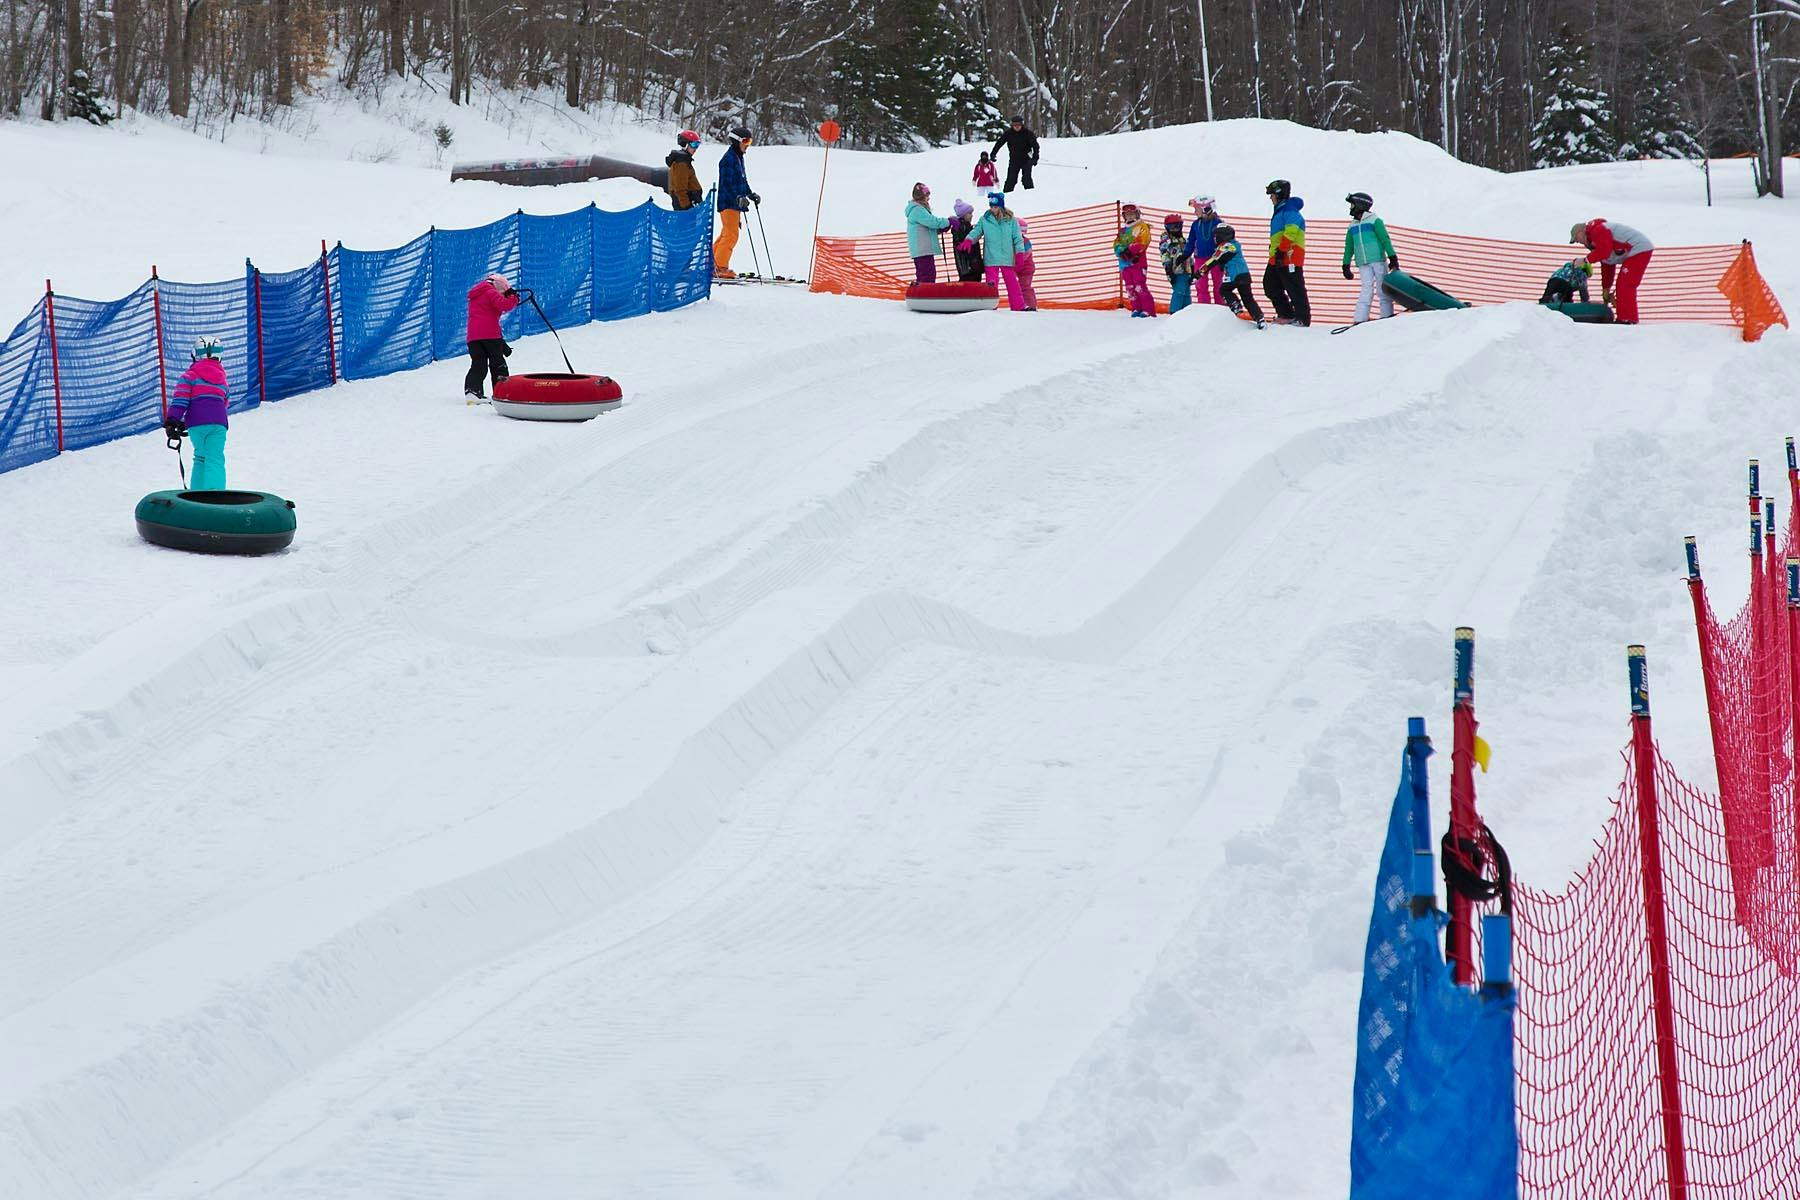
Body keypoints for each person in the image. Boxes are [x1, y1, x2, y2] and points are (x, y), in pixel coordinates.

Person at [164, 335, 230, 489]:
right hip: (219, 424)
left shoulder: (189, 377)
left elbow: (180, 400)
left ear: (195, 354)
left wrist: (173, 421)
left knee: (200, 456)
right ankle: (215, 493)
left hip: (196, 424)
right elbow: (225, 401)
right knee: (215, 457)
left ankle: (197, 493)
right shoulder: (222, 380)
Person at [1571, 218, 1653, 324]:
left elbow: (1604, 251)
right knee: (1623, 285)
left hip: (1638, 248)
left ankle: (1627, 319)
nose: (1579, 242)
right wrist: (1606, 288)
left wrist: (1585, 260)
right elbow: (1607, 264)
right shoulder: (1598, 239)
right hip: (1637, 249)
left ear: (1581, 232)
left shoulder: (1597, 230)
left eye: (1577, 239)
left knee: (1625, 284)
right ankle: (1626, 318)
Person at [959, 191, 1027, 309]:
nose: (992, 209)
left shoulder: (1011, 220)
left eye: (995, 207)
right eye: (991, 206)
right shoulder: (985, 219)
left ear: (1001, 206)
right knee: (991, 285)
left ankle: (1018, 306)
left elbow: (1018, 238)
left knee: (1012, 284)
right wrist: (969, 239)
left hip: (1007, 258)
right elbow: (977, 231)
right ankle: (990, 307)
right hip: (991, 258)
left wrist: (1020, 253)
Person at [1341, 191, 1398, 324]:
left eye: (1352, 205)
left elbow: (1385, 239)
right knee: (1366, 289)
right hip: (1363, 263)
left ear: (1360, 205)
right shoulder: (1352, 225)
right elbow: (1349, 246)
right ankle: (1360, 319)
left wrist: (1392, 257)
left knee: (1382, 289)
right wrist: (1346, 264)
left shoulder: (1374, 220)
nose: (1351, 208)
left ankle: (1386, 317)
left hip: (1377, 260)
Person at [465, 272, 521, 400]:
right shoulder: (490, 292)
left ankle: (472, 391)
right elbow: (504, 305)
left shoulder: (476, 294)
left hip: (473, 337)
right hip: (490, 334)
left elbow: (489, 312)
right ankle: (502, 392)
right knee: (498, 364)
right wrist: (513, 297)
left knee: (478, 364)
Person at [1197, 224, 1265, 328]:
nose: (1214, 238)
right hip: (1245, 275)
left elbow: (1213, 261)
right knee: (1248, 299)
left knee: (1224, 290)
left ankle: (1235, 305)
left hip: (1234, 275)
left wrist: (1198, 274)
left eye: (1216, 236)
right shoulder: (1235, 244)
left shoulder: (1225, 246)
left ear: (1223, 236)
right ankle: (1259, 318)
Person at [714, 126, 759, 278]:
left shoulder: (738, 157)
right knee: (731, 235)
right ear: (736, 141)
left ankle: (711, 263)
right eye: (746, 141)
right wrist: (738, 197)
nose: (748, 144)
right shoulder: (728, 159)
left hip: (734, 203)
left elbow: (740, 181)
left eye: (750, 141)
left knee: (726, 233)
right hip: (728, 202)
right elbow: (727, 184)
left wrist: (750, 194)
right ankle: (720, 267)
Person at [1264, 179, 1310, 325]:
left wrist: (1282, 250)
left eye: (1272, 194)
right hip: (1277, 256)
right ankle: (1286, 314)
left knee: (1294, 287)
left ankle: (1302, 318)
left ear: (1279, 194)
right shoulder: (1280, 210)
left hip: (1289, 256)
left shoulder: (1290, 209)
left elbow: (1292, 230)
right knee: (1270, 285)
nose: (1270, 198)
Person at [1114, 202, 1156, 318]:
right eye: (1127, 215)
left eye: (1132, 214)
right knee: (1130, 287)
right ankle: (1136, 307)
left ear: (1137, 214)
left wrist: (1131, 251)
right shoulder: (1122, 231)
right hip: (1125, 264)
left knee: (1139, 286)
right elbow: (1116, 243)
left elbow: (1143, 241)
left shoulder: (1142, 227)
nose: (1130, 216)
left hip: (1137, 262)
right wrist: (1121, 251)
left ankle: (1148, 309)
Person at [905, 183, 953, 283]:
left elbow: (927, 228)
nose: (928, 198)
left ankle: (922, 293)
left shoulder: (919, 209)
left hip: (922, 250)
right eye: (927, 196)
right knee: (927, 275)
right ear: (921, 197)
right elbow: (932, 222)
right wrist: (948, 221)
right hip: (922, 250)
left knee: (927, 273)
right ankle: (924, 294)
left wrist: (941, 229)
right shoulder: (917, 210)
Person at [1185, 196, 1224, 306]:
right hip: (1200, 259)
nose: (1195, 213)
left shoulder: (1218, 223)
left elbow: (1225, 242)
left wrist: (1224, 259)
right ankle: (1203, 307)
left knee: (1219, 284)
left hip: (1216, 259)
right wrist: (1185, 254)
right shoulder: (1196, 224)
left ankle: (1220, 308)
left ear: (1206, 210)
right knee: (1201, 284)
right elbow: (1191, 241)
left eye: (1197, 210)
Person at [991, 116, 1040, 191]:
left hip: (1026, 160)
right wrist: (993, 154)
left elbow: (1035, 146)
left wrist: (1035, 158)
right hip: (1014, 160)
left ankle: (1030, 196)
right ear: (1012, 125)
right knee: (1011, 179)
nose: (1017, 127)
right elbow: (999, 143)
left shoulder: (1028, 133)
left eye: (1018, 125)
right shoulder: (1008, 133)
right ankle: (1006, 196)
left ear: (1022, 124)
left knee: (1026, 179)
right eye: (1014, 125)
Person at [1161, 213, 1194, 313]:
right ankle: (1174, 312)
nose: (1175, 229)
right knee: (1179, 291)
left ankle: (1187, 312)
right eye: (1172, 227)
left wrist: (1192, 267)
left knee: (1186, 292)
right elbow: (1164, 255)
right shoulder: (1167, 240)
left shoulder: (1182, 239)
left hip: (1186, 270)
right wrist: (1169, 270)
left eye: (1178, 226)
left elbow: (1188, 253)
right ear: (1167, 227)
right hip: (1175, 271)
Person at [665, 130, 704, 211]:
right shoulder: (681, 163)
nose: (695, 148)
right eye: (693, 144)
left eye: (697, 145)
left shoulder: (685, 161)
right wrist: (687, 207)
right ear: (685, 144)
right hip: (685, 205)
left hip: (690, 201)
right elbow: (680, 189)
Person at [949, 200, 985, 282]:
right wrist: (975, 261)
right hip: (969, 265)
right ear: (963, 214)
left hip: (968, 266)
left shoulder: (963, 227)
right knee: (972, 284)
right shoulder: (963, 227)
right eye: (969, 213)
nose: (971, 216)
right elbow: (966, 248)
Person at [1015, 218, 1040, 310]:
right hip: (1017, 268)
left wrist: (1017, 262)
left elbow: (1026, 253)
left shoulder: (1025, 241)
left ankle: (1031, 305)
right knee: (1018, 286)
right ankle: (1021, 304)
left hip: (1026, 269)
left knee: (1025, 286)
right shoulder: (1012, 241)